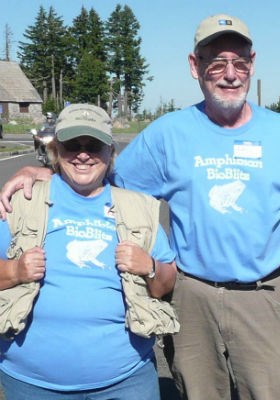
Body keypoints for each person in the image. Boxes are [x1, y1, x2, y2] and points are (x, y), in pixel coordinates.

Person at [0, 13, 280, 400]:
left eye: (239, 62)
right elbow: (103, 175)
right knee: (197, 392)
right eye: (215, 62)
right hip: (191, 295)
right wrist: (45, 173)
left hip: (262, 295)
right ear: (196, 67)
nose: (229, 73)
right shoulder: (168, 133)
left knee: (271, 392)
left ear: (252, 64)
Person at [0, 103, 177, 399]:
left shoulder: (138, 208)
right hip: (32, 382)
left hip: (126, 380)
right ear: (56, 151)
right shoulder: (21, 201)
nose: (83, 154)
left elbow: (166, 283)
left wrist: (150, 267)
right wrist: (15, 271)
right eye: (72, 144)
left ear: (110, 153)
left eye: (94, 145)